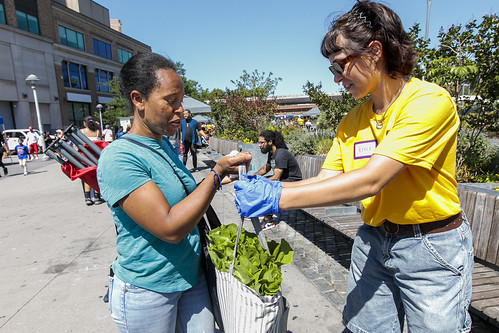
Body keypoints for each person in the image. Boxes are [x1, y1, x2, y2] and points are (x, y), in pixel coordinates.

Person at [234, 1, 473, 332]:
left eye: (340, 66)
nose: (336, 79)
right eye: (332, 70)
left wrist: (278, 199)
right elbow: (326, 180)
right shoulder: (353, 120)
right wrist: (273, 188)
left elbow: (371, 180)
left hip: (429, 246)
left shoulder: (428, 102)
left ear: (374, 51)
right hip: (373, 239)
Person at [96, 52, 250, 333]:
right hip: (148, 289)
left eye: (181, 101)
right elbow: (169, 227)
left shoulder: (163, 144)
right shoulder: (120, 158)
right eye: (170, 101)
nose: (181, 109)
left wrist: (223, 176)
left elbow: (182, 195)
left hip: (191, 277)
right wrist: (215, 174)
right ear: (138, 99)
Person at [254, 130, 302, 229]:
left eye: (262, 142)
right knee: (259, 182)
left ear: (270, 142)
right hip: (285, 180)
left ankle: (269, 220)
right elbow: (265, 169)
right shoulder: (272, 153)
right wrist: (252, 177)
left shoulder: (281, 154)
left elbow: (276, 178)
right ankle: (263, 210)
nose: (259, 145)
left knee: (267, 186)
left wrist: (259, 181)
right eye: (259, 142)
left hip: (293, 181)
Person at [81, 116, 105, 206]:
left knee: (87, 176)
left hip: (86, 156)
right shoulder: (97, 131)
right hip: (96, 156)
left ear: (85, 123)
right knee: (96, 175)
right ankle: (97, 196)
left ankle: (87, 197)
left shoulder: (82, 131)